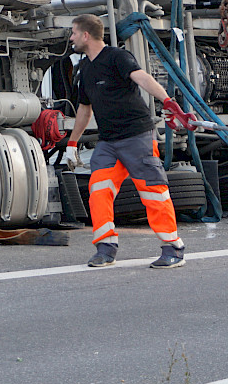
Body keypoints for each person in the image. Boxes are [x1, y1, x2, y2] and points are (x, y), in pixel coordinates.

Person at [64, 14, 194, 269]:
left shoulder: (117, 57)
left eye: (74, 33)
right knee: (98, 191)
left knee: (153, 193)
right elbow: (84, 109)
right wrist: (72, 143)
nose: (71, 37)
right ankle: (105, 247)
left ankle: (173, 248)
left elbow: (142, 78)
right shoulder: (85, 69)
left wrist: (167, 102)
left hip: (136, 137)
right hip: (109, 142)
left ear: (86, 35)